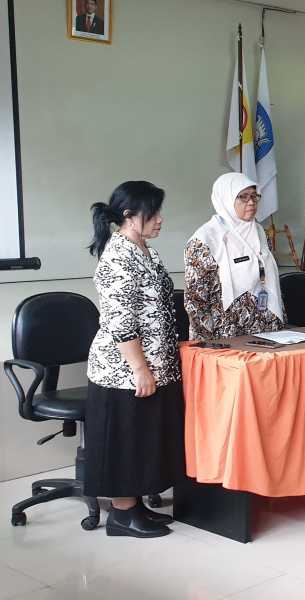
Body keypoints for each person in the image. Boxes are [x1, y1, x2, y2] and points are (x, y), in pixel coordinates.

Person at [85, 181, 183, 539]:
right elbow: (120, 321)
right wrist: (140, 369)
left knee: (143, 437)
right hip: (123, 370)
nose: (160, 219)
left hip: (155, 363)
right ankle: (122, 514)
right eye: (153, 213)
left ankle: (135, 505)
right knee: (125, 440)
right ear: (129, 216)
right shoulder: (118, 256)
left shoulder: (145, 251)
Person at [184, 173, 285, 341]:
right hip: (226, 335)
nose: (251, 202)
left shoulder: (259, 232)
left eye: (254, 196)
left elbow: (269, 279)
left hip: (268, 329)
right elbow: (196, 300)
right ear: (226, 198)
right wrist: (207, 343)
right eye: (243, 197)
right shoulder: (205, 240)